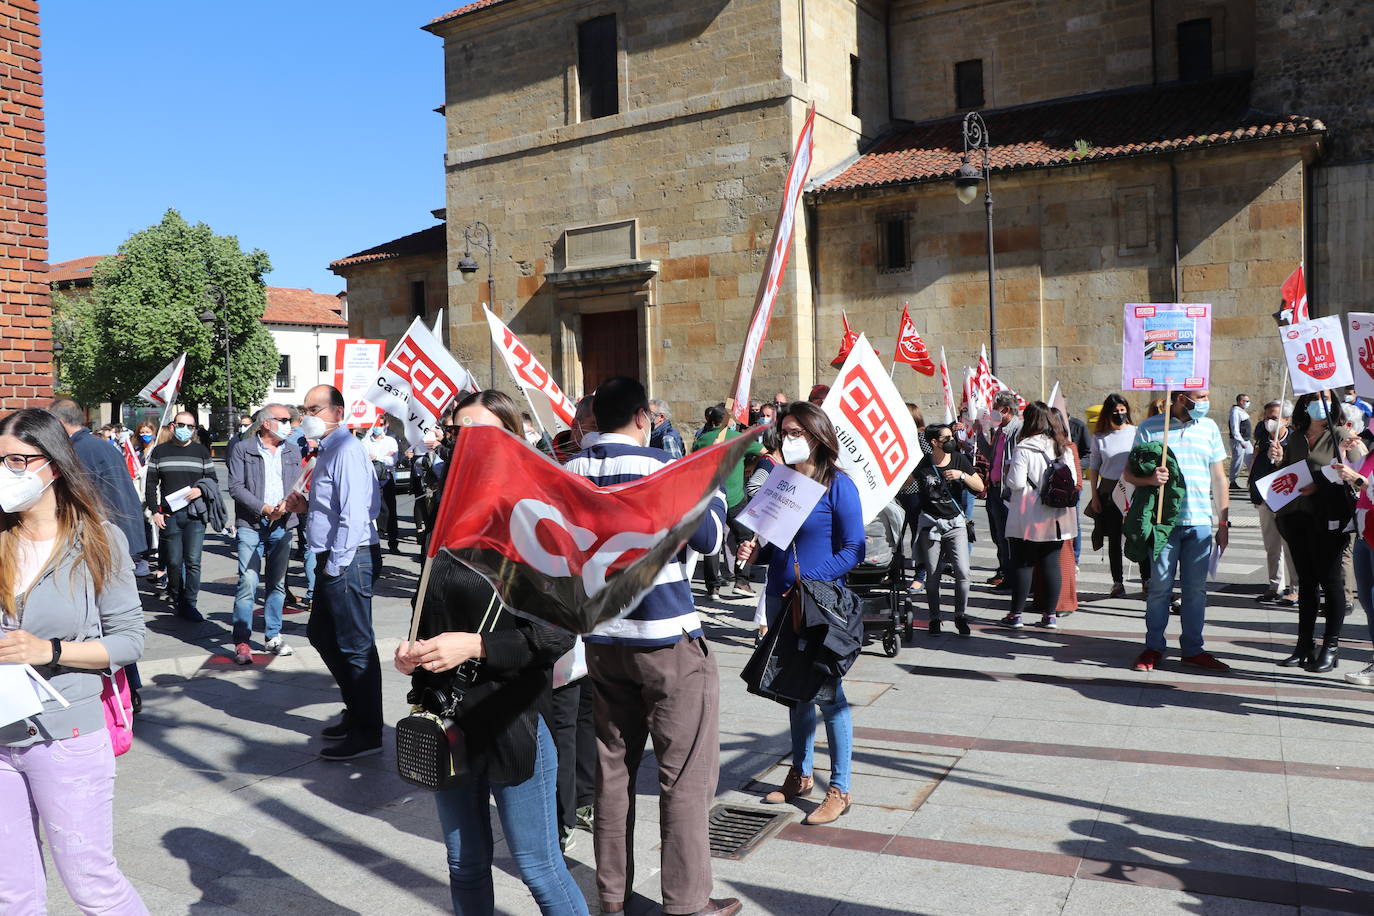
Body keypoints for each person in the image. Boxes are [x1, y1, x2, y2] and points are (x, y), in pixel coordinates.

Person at [394, 389, 587, 916]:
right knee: (464, 863)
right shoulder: (443, 509)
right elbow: (430, 604)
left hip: (513, 718)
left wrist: (474, 645)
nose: (463, 443)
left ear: (510, 440)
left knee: (539, 868)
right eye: (456, 433)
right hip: (446, 716)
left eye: (478, 433)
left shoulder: (536, 521)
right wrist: (412, 650)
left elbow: (556, 636)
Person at [565, 377, 740, 916]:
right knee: (684, 778)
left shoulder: (566, 474)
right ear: (644, 416)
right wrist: (708, 489)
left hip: (602, 642)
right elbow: (710, 538)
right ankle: (686, 904)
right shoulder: (663, 469)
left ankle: (612, 900)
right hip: (667, 640)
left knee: (612, 776)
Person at [0, 408, 149, 914]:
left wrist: (51, 651)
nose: (7, 471)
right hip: (0, 733)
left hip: (67, 735)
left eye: (18, 460)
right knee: (11, 892)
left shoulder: (98, 539)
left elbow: (130, 640)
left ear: (54, 465)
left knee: (92, 883)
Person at [747, 402, 864, 826]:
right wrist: (754, 550)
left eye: (796, 431)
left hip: (818, 604)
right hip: (782, 599)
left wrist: (812, 580)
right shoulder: (782, 482)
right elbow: (773, 539)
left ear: (817, 435)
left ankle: (841, 787)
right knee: (795, 691)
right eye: (784, 431)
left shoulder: (839, 486)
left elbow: (854, 550)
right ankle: (801, 772)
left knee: (830, 696)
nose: (787, 438)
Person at [285, 385, 383, 760]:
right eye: (304, 409)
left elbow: (356, 514)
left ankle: (368, 730)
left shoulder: (347, 450)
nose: (307, 415)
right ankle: (356, 711)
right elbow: (333, 506)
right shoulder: (326, 451)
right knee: (322, 634)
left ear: (337, 413)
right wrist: (306, 506)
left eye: (315, 408)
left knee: (355, 645)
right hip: (334, 556)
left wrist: (336, 566)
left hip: (350, 556)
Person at [1124, 390, 1230, 672]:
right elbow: (1128, 474)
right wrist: (1149, 479)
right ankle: (1153, 647)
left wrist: (1223, 522)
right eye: (1202, 395)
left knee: (1196, 591)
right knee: (1159, 588)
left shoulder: (1209, 428)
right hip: (1163, 524)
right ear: (1181, 398)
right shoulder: (1150, 427)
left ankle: (1193, 649)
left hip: (1199, 523)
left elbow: (1219, 478)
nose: (1207, 400)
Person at [1271, 391, 1358, 673]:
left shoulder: (1341, 433)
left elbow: (1357, 469)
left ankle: (1330, 647)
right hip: (1296, 517)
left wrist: (1321, 481)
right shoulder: (1295, 436)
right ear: (1303, 405)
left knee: (1331, 581)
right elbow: (1290, 472)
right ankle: (1303, 645)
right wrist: (1279, 459)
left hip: (1328, 518)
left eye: (1324, 399)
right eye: (1311, 399)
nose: (1317, 404)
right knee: (1306, 582)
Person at [226, 404, 302, 665]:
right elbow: (235, 487)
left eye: (289, 420)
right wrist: (264, 508)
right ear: (267, 423)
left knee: (277, 583)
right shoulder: (243, 449)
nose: (289, 424)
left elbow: (298, 485)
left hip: (282, 525)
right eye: (283, 419)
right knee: (247, 583)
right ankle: (242, 641)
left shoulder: (293, 450)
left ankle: (273, 636)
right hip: (251, 525)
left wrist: (285, 504)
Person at [998, 402, 1078, 629]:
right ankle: (1050, 616)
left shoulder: (1024, 447)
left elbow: (1016, 482)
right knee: (1051, 564)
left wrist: (1008, 471)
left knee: (1024, 563)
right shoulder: (1063, 447)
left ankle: (1015, 615)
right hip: (1057, 514)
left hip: (1029, 514)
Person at [910, 424, 983, 634]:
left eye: (952, 436)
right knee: (932, 574)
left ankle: (960, 615)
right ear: (934, 442)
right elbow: (905, 482)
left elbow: (979, 486)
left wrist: (962, 476)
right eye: (947, 437)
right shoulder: (923, 463)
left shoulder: (960, 459)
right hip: (931, 525)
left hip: (955, 524)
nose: (952, 440)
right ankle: (934, 618)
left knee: (963, 572)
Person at [143, 410, 215, 621]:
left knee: (193, 561)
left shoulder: (201, 451)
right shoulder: (160, 451)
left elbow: (212, 480)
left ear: (194, 430)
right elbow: (150, 483)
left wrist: (200, 490)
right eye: (181, 425)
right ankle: (176, 595)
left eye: (189, 427)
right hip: (169, 515)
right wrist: (155, 510)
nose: (185, 430)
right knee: (174, 561)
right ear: (173, 426)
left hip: (195, 515)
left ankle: (189, 603)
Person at [692, 405, 763, 601]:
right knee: (746, 538)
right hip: (734, 498)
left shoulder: (701, 440)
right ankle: (742, 582)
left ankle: (712, 587)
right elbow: (765, 452)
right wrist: (750, 466)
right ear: (728, 421)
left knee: (712, 539)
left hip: (710, 497)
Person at [1087, 394, 1144, 598]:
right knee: (1113, 538)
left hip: (1134, 488)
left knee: (1139, 533)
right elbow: (1094, 467)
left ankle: (1147, 579)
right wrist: (1094, 495)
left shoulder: (1136, 432)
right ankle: (1117, 582)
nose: (1120, 414)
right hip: (1110, 491)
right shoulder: (1100, 437)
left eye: (1122, 410)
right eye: (1115, 411)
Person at [1251, 400, 1298, 606]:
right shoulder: (1262, 438)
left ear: (1286, 420)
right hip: (1265, 499)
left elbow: (1297, 470)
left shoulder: (1296, 441)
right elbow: (1257, 468)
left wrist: (1281, 460)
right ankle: (1274, 585)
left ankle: (1295, 588)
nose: (1269, 421)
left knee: (1291, 546)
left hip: (1287, 501)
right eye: (1267, 416)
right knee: (1272, 546)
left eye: (1274, 417)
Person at [979, 392, 1022, 588]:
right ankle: (1004, 570)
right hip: (994, 489)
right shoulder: (1000, 430)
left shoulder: (1016, 430)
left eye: (995, 408)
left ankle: (1010, 576)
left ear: (1005, 410)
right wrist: (980, 433)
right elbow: (990, 455)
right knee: (998, 535)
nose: (993, 412)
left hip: (1007, 491)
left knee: (1007, 536)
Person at [365, 423, 401, 554]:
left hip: (386, 478)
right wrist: (384, 457)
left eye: (381, 424)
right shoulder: (366, 441)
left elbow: (392, 460)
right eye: (375, 424)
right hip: (371, 479)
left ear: (386, 425)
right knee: (374, 511)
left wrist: (376, 458)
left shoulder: (390, 441)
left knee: (390, 511)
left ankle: (393, 543)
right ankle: (375, 542)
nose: (377, 427)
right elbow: (363, 458)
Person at [1229, 393, 1254, 488]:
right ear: (1241, 401)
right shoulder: (1235, 412)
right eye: (1247, 401)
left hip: (1246, 440)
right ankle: (1232, 481)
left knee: (1251, 460)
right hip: (1239, 441)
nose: (1248, 403)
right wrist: (1241, 441)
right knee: (1237, 461)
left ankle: (1253, 481)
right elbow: (1235, 429)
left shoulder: (1242, 411)